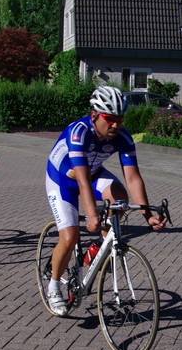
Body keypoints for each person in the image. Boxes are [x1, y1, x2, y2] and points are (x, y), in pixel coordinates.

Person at [43, 85, 167, 316]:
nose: (115, 125)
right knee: (70, 237)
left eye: (120, 119)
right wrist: (91, 215)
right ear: (94, 115)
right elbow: (82, 182)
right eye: (110, 119)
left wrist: (147, 215)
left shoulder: (123, 137)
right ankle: (53, 286)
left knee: (119, 195)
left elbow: (132, 177)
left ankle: (102, 244)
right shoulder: (79, 133)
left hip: (92, 173)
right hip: (62, 179)